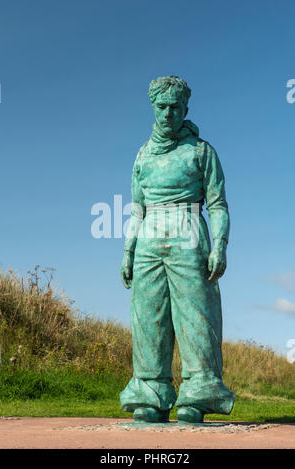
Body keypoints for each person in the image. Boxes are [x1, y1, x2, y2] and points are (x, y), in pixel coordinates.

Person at [120, 76, 235, 423]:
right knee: (148, 319)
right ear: (153, 107)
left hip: (189, 233)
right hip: (149, 239)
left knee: (196, 316)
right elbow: (136, 208)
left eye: (175, 107)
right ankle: (150, 393)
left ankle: (199, 393)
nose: (168, 113)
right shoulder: (142, 154)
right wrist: (128, 250)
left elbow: (217, 204)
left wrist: (220, 246)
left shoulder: (202, 151)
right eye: (162, 106)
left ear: (185, 109)